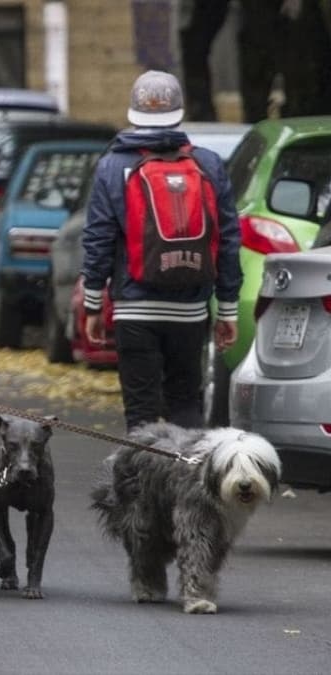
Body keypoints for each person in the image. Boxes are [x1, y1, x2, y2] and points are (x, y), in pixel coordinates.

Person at [81, 70, 242, 432]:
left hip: (134, 310)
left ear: (133, 114)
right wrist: (227, 309)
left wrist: (93, 304)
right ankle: (186, 482)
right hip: (189, 310)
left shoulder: (111, 166)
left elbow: (97, 239)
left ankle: (141, 486)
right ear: (179, 114)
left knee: (141, 413)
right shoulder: (209, 164)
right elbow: (229, 238)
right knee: (186, 404)